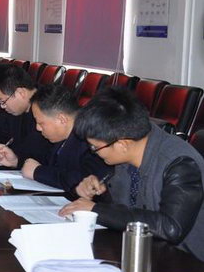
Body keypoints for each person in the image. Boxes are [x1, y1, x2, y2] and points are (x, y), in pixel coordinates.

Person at [60, 88, 204, 260]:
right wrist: (97, 192)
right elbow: (124, 208)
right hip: (142, 250)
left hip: (185, 262)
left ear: (122, 144)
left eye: (95, 147)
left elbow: (170, 227)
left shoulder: (180, 163)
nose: (94, 152)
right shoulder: (130, 151)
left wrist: (96, 210)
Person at [20, 84, 111, 192]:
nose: (38, 128)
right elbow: (45, 162)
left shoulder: (92, 138)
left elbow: (84, 181)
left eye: (40, 123)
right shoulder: (60, 136)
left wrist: (38, 172)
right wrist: (16, 160)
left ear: (62, 119)